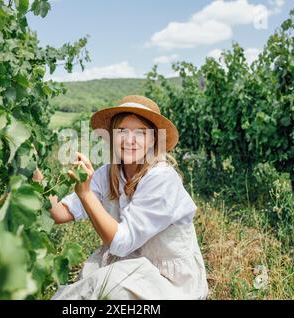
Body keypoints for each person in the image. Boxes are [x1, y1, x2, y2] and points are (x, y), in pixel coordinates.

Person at [49, 95, 208, 300]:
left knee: (106, 286)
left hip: (171, 281)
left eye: (141, 133)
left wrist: (86, 193)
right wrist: (33, 171)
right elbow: (59, 213)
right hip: (131, 263)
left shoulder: (162, 178)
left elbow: (122, 242)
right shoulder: (108, 173)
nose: (130, 140)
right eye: (122, 131)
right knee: (91, 277)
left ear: (153, 140)